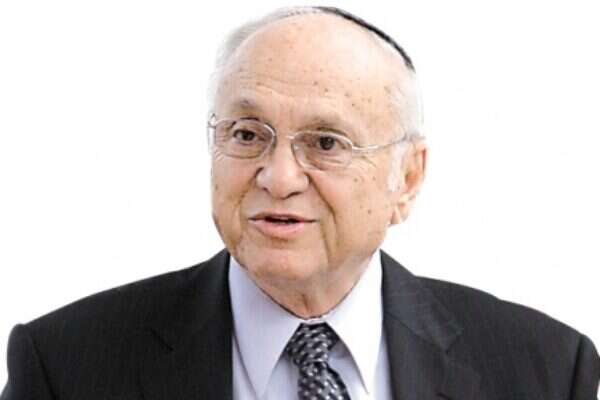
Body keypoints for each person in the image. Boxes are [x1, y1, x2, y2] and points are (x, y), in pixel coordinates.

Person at [1, 6, 599, 400]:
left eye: (326, 143)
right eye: (247, 134)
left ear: (408, 179)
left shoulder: (545, 370)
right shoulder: (66, 367)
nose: (279, 177)